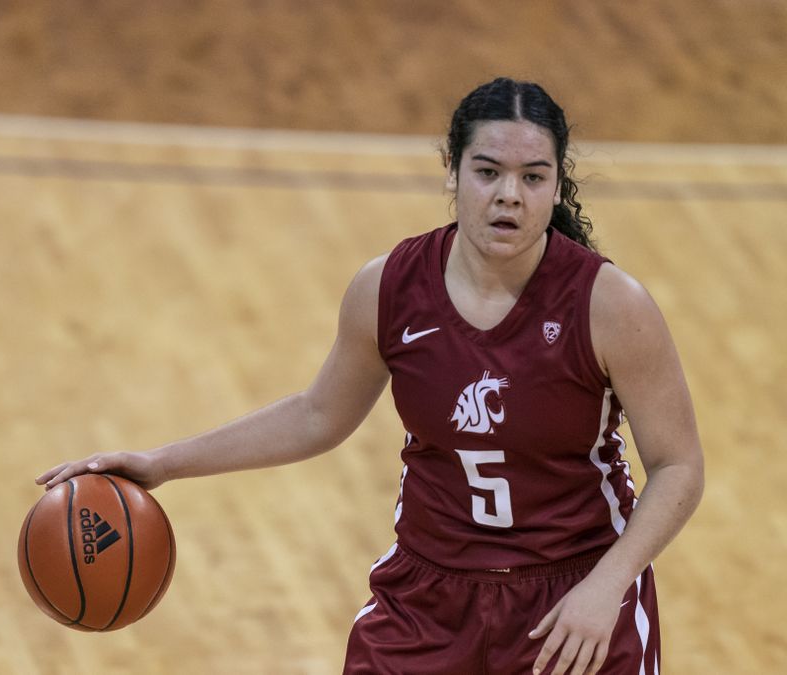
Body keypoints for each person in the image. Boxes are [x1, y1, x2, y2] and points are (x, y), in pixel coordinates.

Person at [37, 77, 704, 675]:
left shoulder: (610, 304)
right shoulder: (389, 288)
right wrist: (161, 464)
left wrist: (608, 584)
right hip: (429, 599)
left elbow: (677, 464)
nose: (509, 195)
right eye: (488, 171)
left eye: (533, 177)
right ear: (452, 169)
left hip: (572, 602)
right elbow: (317, 414)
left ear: (558, 183)